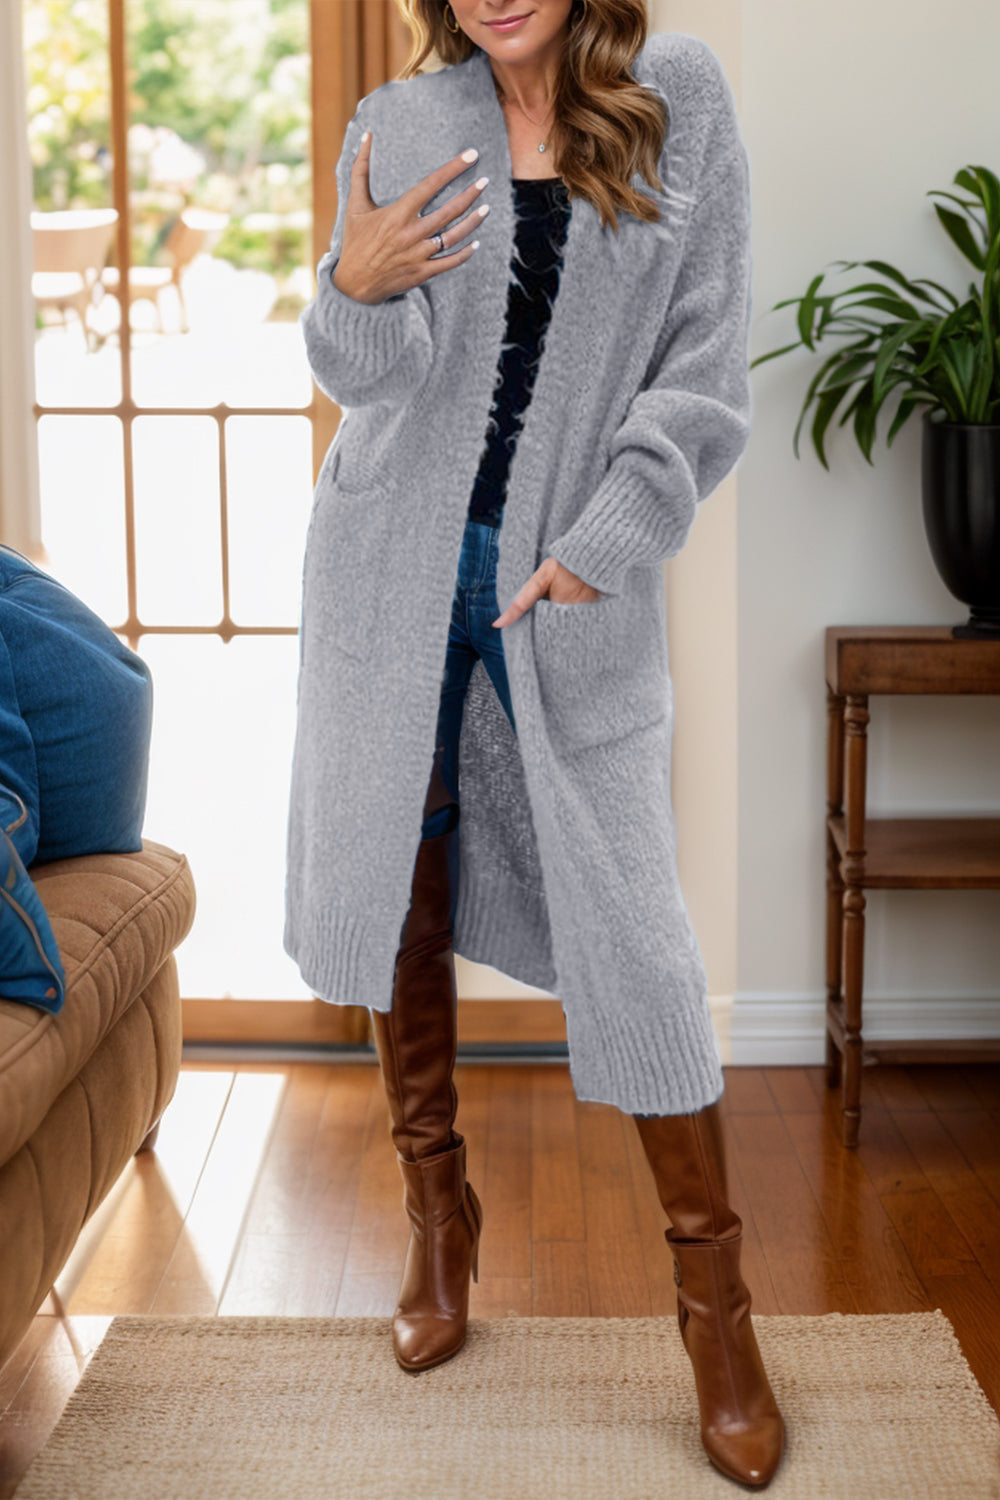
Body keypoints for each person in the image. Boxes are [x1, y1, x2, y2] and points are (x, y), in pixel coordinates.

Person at [288, 0, 784, 1487]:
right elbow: (365, 380)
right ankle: (439, 1223)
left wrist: (612, 534)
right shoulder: (405, 119)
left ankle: (718, 1308)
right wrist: (348, 284)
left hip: (565, 585)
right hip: (385, 569)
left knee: (637, 935)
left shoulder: (674, 92)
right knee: (400, 890)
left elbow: (706, 359)